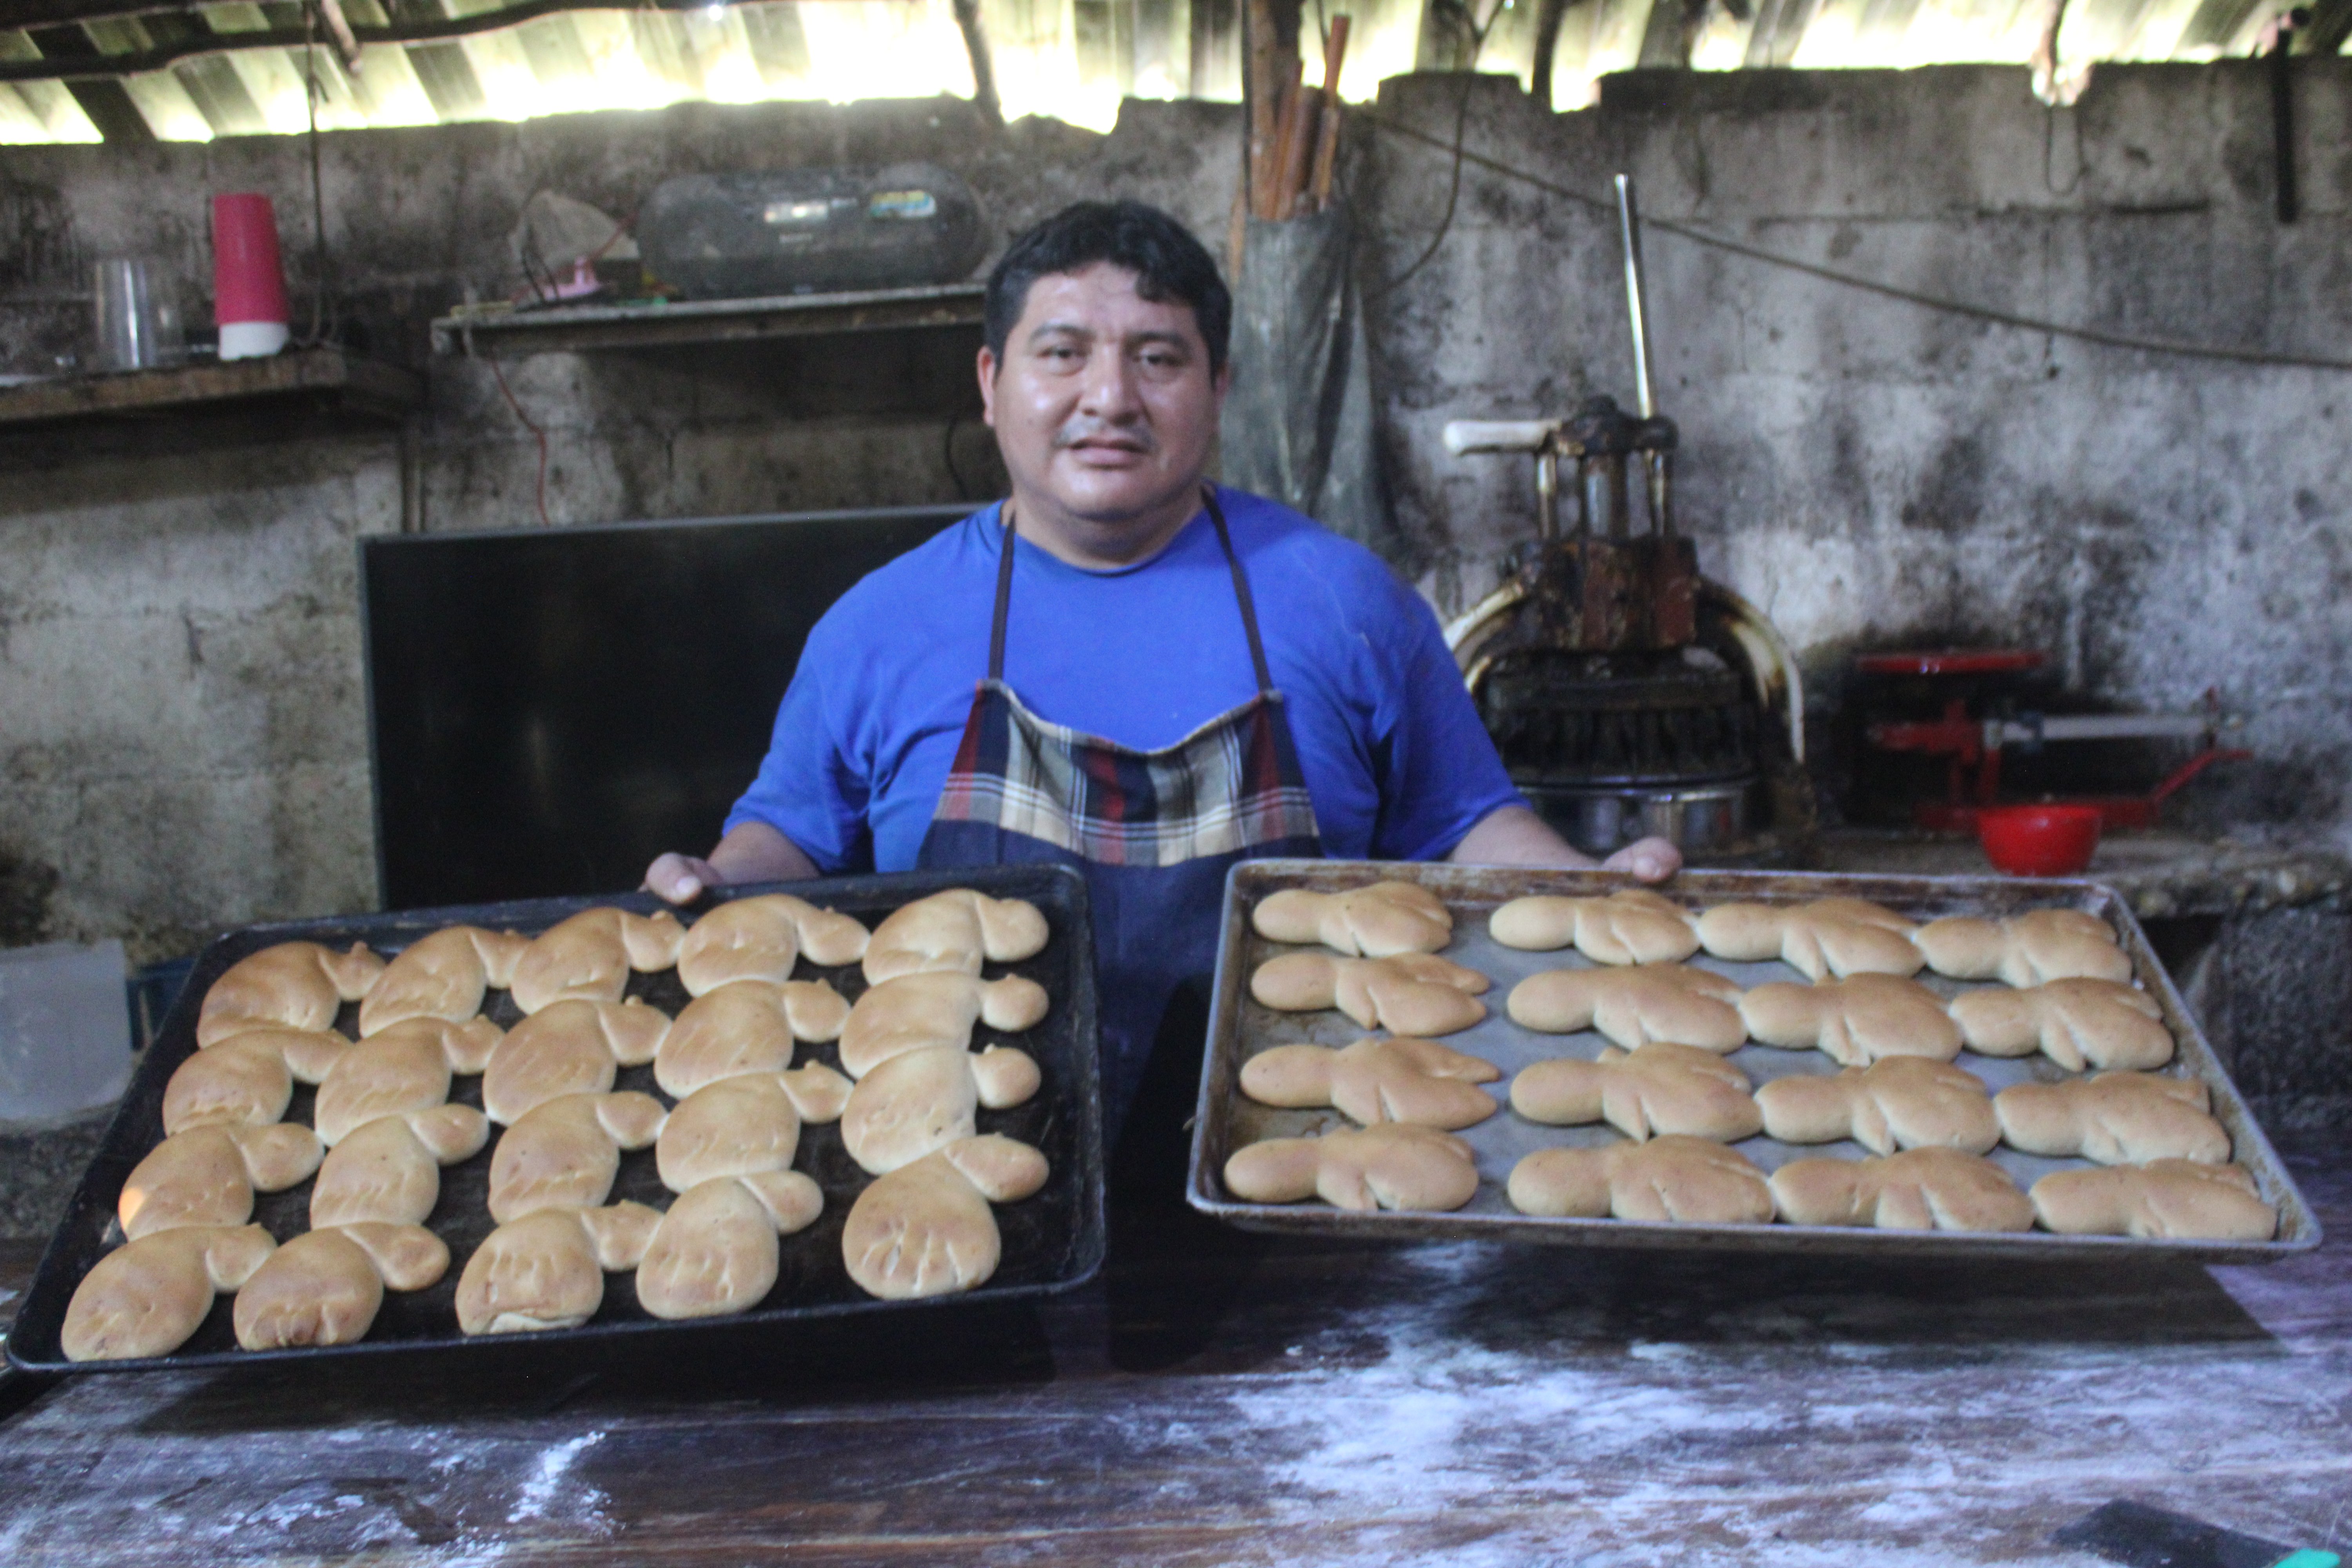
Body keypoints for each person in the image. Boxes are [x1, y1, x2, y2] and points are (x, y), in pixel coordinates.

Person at [646, 198, 1680, 1123]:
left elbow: (1461, 822)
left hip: (1307, 1154)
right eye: (1062, 354)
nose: (1110, 397)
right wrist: (714, 882)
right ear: (993, 382)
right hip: (963, 1164)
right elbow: (795, 835)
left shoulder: (1343, 602)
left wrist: (1591, 891)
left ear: (1218, 386)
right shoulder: (881, 624)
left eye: (1159, 358)